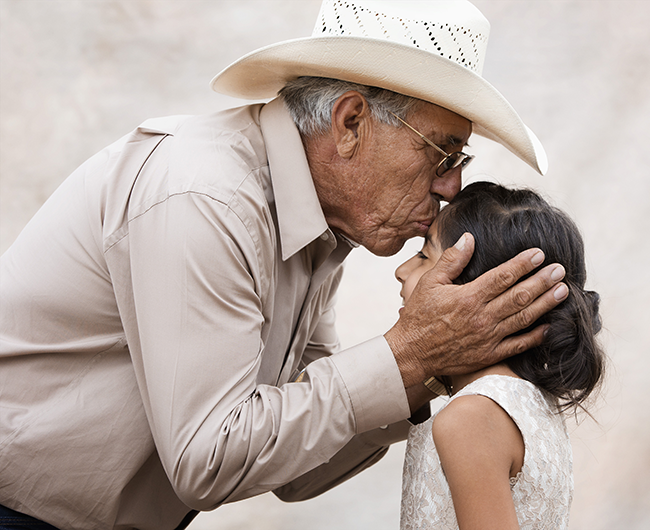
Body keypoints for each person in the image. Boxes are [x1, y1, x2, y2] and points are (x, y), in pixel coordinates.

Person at [0, 1, 568, 529]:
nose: (452, 187)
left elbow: (295, 468)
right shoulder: (208, 197)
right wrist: (414, 357)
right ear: (350, 123)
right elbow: (209, 458)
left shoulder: (319, 228)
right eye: (442, 152)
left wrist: (429, 371)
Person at [397, 182, 605, 529]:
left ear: (478, 293)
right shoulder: (531, 401)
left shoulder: (472, 418)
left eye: (424, 256)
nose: (401, 270)